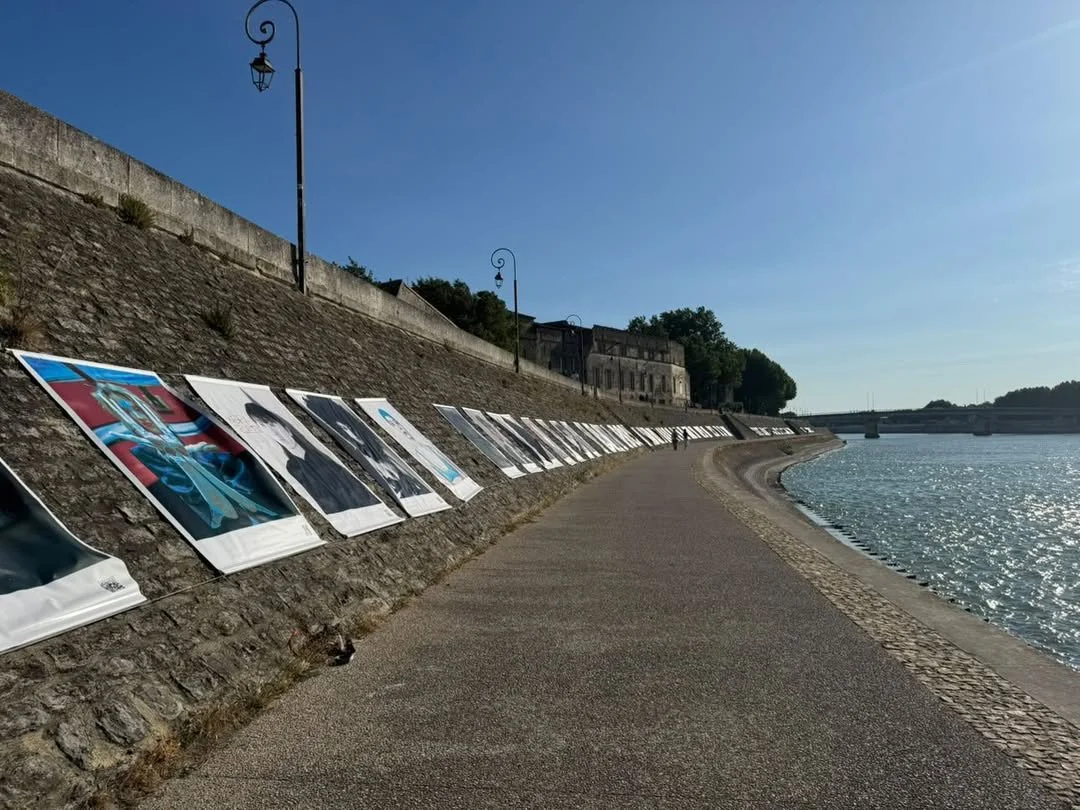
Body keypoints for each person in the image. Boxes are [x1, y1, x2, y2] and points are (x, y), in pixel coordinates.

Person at [244, 401, 378, 513]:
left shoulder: (323, 454)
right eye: (264, 427)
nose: (274, 433)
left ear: (286, 427)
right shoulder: (293, 467)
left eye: (272, 425)